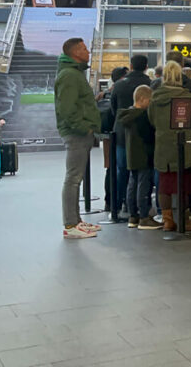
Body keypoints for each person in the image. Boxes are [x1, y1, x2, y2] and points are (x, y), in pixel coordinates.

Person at [148, 61, 191, 232]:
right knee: (184, 184)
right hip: (184, 146)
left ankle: (167, 221)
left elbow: (151, 120)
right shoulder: (186, 96)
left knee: (165, 185)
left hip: (163, 145)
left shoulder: (155, 98)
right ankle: (185, 221)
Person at [55, 38, 102, 239]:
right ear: (75, 52)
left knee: (76, 178)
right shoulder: (69, 75)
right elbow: (66, 108)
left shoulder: (75, 73)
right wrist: (84, 128)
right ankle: (70, 224)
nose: (88, 51)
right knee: (73, 178)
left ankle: (76, 221)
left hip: (80, 132)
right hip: (76, 133)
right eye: (83, 48)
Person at [109, 54, 151, 218]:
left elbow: (113, 109)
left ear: (131, 66)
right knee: (142, 174)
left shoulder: (119, 85)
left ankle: (120, 205)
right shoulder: (149, 84)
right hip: (143, 134)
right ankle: (142, 208)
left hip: (121, 133)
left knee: (123, 171)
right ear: (146, 66)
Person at [115, 85, 160, 230]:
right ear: (142, 99)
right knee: (144, 185)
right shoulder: (142, 117)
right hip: (144, 154)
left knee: (132, 184)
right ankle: (144, 217)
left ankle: (133, 215)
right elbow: (148, 136)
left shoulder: (127, 115)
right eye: (150, 100)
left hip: (131, 155)